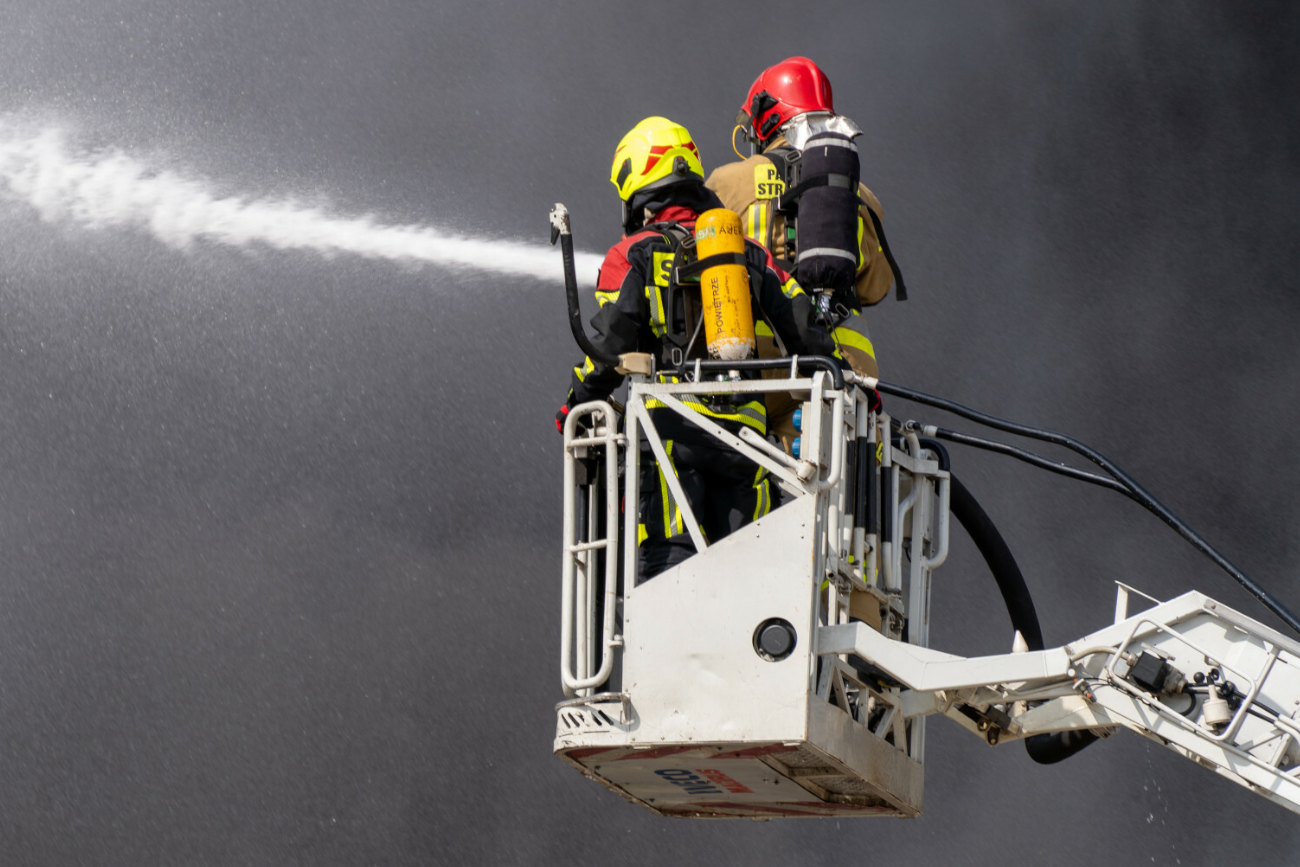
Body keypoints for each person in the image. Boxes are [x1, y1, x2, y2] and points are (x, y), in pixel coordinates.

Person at [557, 116, 844, 580]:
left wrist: (577, 400)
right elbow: (807, 333)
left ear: (638, 184)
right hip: (748, 444)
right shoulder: (745, 252)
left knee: (671, 570)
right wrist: (846, 379)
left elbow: (609, 344)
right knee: (751, 576)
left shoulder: (632, 253)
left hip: (672, 435)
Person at [706, 57, 906, 449]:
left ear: (766, 121)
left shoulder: (727, 183)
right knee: (842, 494)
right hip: (843, 372)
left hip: (756, 367)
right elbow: (875, 286)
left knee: (753, 487)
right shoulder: (858, 196)